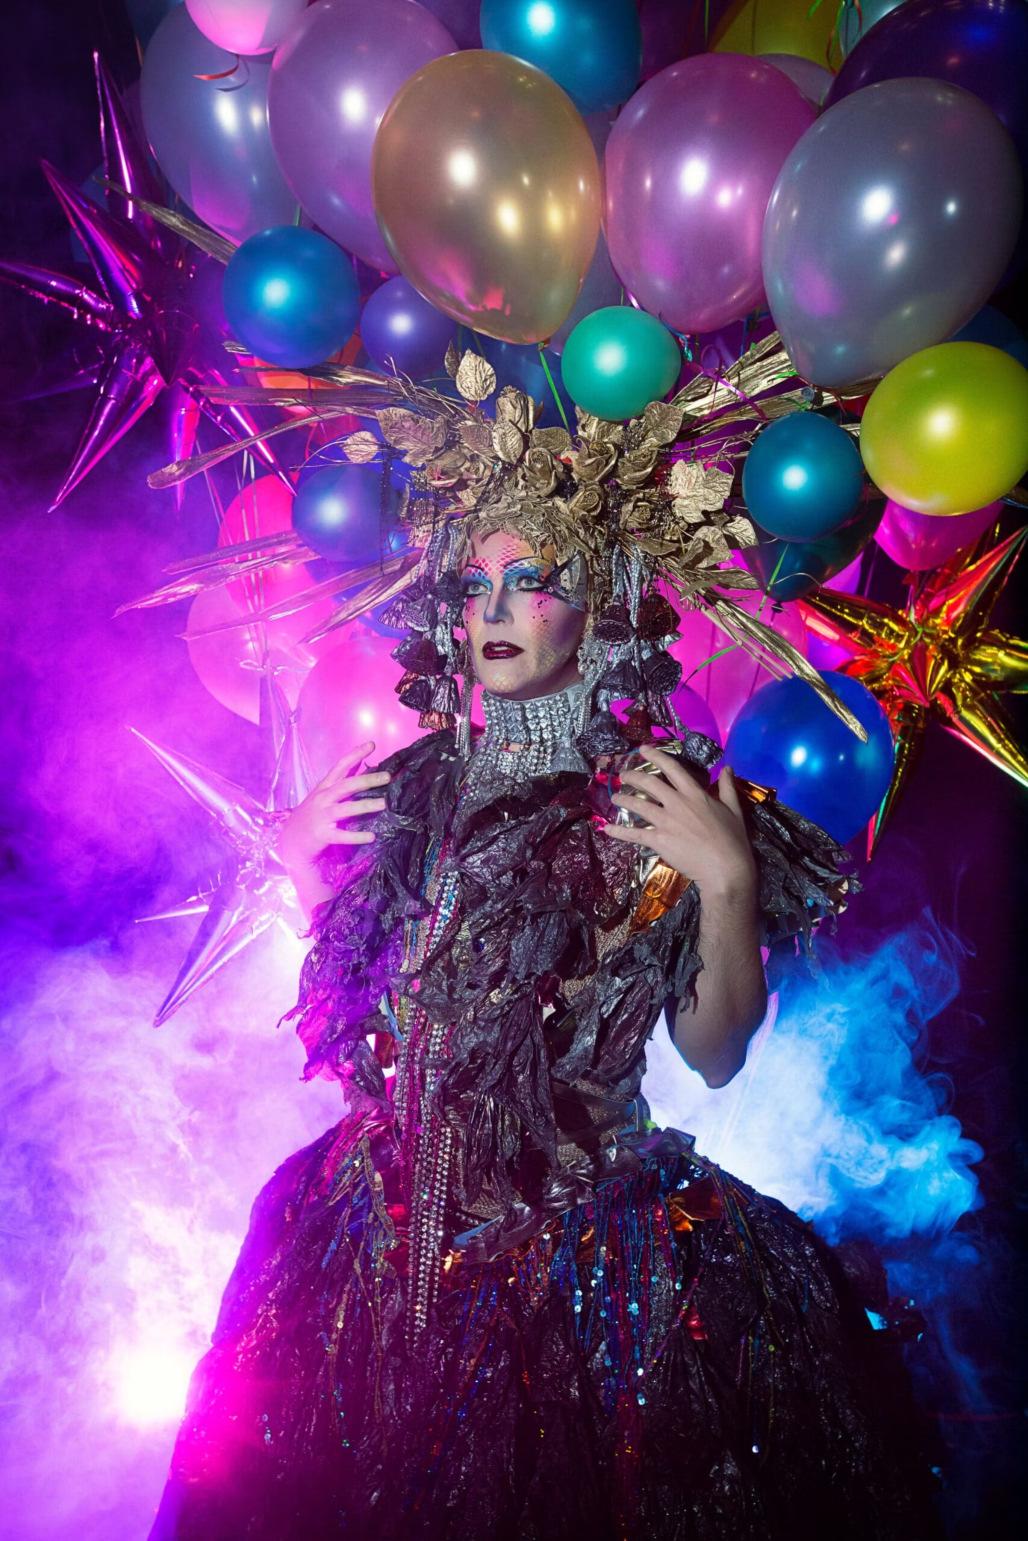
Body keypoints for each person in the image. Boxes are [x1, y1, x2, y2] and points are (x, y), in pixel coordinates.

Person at [150, 352, 939, 1538]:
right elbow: (390, 1005)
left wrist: (725, 880)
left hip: (580, 1262)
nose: (493, 611)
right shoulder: (412, 784)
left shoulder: (654, 801)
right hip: (371, 1240)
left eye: (531, 580)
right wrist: (305, 863)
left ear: (598, 595)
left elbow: (714, 1053)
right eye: (476, 585)